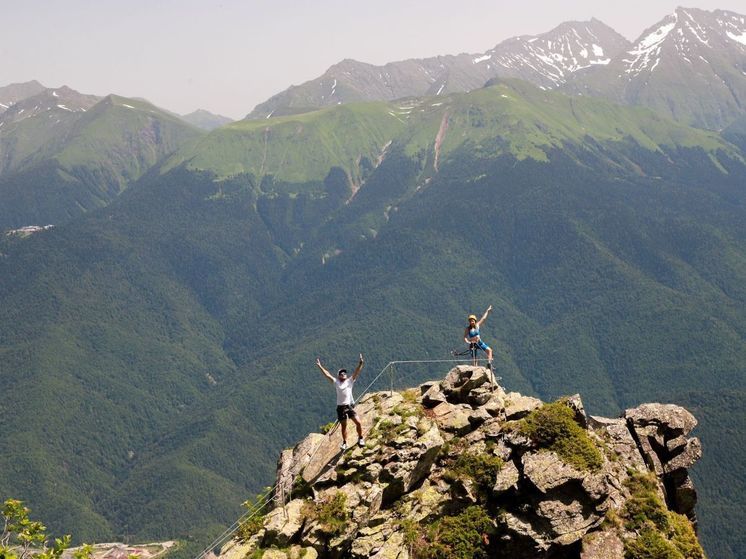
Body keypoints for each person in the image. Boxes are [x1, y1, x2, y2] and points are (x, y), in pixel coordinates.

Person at [316, 354, 365, 451]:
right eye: (342, 373)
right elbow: (327, 375)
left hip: (348, 406)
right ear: (338, 375)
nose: (344, 374)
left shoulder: (350, 381)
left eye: (345, 373)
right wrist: (320, 366)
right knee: (344, 426)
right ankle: (345, 443)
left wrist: (360, 363)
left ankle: (360, 438)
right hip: (340, 408)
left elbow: (357, 372)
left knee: (358, 423)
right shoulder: (336, 382)